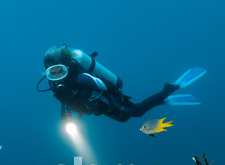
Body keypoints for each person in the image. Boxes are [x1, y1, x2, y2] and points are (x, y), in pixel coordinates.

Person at [36, 45, 206, 123]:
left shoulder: (81, 78)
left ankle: (169, 89)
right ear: (47, 71)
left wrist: (114, 97)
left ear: (66, 67)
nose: (57, 76)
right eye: (52, 72)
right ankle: (161, 100)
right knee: (123, 119)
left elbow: (105, 85)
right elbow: (65, 101)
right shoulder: (53, 86)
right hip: (97, 107)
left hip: (109, 98)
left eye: (60, 71)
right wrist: (65, 116)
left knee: (137, 111)